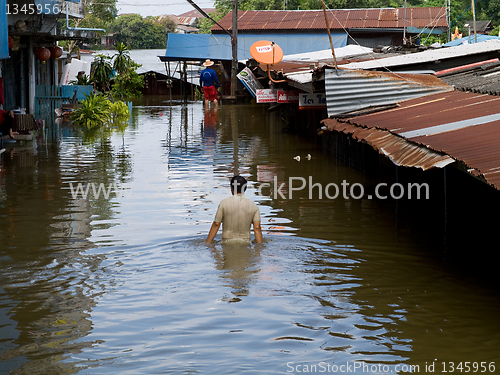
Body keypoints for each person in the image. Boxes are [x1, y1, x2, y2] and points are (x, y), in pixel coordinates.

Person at [206, 176, 263, 244]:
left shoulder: (224, 203)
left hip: (226, 242)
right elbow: (257, 228)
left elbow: (216, 224)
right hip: (246, 243)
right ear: (245, 188)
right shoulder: (254, 206)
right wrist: (260, 247)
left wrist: (208, 243)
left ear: (231, 188)